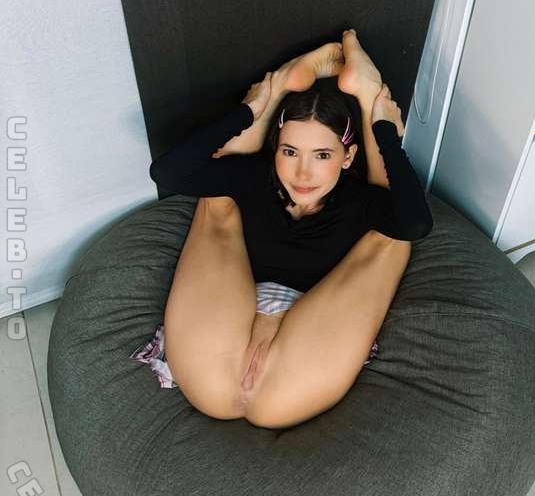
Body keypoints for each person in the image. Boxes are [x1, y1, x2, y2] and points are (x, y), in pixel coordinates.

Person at [130, 30, 433, 429]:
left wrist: (384, 130)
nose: (303, 174)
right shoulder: (255, 177)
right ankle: (280, 88)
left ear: (347, 157)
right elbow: (168, 172)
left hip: (313, 324)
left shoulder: (361, 201)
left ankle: (366, 93)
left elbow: (415, 223)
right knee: (217, 202)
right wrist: (252, 109)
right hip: (226, 312)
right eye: (290, 152)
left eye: (322, 155)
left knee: (391, 240)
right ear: (276, 149)